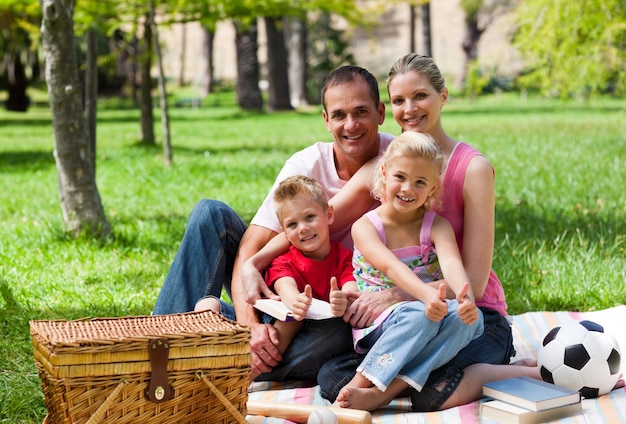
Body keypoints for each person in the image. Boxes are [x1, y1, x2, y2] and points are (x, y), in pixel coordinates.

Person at [317, 54, 541, 411]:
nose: (409, 109)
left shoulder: (473, 169)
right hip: (412, 318)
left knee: (433, 392)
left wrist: (400, 296)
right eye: (398, 101)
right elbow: (325, 218)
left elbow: (474, 285)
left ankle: (507, 373)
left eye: (420, 96)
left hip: (471, 314)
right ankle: (390, 381)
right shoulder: (387, 164)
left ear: (443, 96)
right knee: (333, 380)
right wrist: (256, 259)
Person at [153, 65, 395, 382]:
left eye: (361, 112)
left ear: (380, 112)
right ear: (325, 120)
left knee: (339, 333)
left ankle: (221, 346)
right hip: (280, 293)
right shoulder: (305, 165)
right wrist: (249, 325)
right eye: (339, 115)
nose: (350, 125)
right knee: (210, 214)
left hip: (331, 310)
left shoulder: (399, 163)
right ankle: (157, 351)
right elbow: (250, 251)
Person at [334, 131, 483, 411]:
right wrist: (426, 296)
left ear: (433, 188)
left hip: (428, 313)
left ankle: (384, 393)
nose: (407, 188)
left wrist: (465, 300)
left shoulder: (437, 226)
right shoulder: (365, 227)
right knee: (419, 315)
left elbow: (452, 266)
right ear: (384, 174)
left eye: (420, 182)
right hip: (382, 322)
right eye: (400, 177)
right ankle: (358, 383)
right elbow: (391, 266)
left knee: (473, 322)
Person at [197, 175, 354, 379]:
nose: (303, 228)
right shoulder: (285, 260)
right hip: (269, 325)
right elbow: (283, 283)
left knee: (336, 328)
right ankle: (242, 365)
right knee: (208, 305)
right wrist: (293, 299)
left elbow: (351, 286)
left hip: (310, 333)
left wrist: (343, 299)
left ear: (329, 215)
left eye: (309, 217)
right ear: (285, 233)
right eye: (292, 224)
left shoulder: (343, 257)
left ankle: (238, 366)